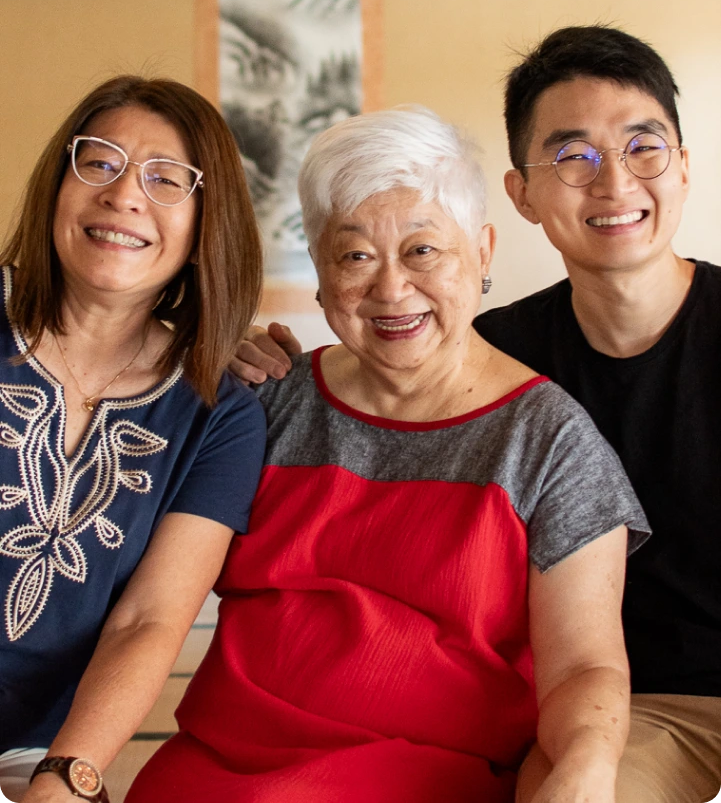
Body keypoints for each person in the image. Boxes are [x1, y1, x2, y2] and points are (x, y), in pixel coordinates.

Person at [234, 25, 721, 803]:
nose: (612, 182)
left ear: (684, 166)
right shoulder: (485, 360)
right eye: (572, 156)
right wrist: (247, 361)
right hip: (632, 715)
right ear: (521, 193)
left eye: (642, 147)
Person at [127, 107, 649, 803]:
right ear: (318, 270)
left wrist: (583, 771)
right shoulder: (265, 403)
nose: (390, 289)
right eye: (354, 256)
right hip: (214, 771)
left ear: (483, 250)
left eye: (422, 250)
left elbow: (583, 667)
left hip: (426, 779)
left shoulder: (549, 442)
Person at [0, 75, 266, 803]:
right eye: (99, 161)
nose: (124, 195)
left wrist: (66, 778)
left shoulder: (220, 416)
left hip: (31, 754)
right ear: (58, 183)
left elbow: (148, 621)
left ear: (206, 222)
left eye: (166, 178)